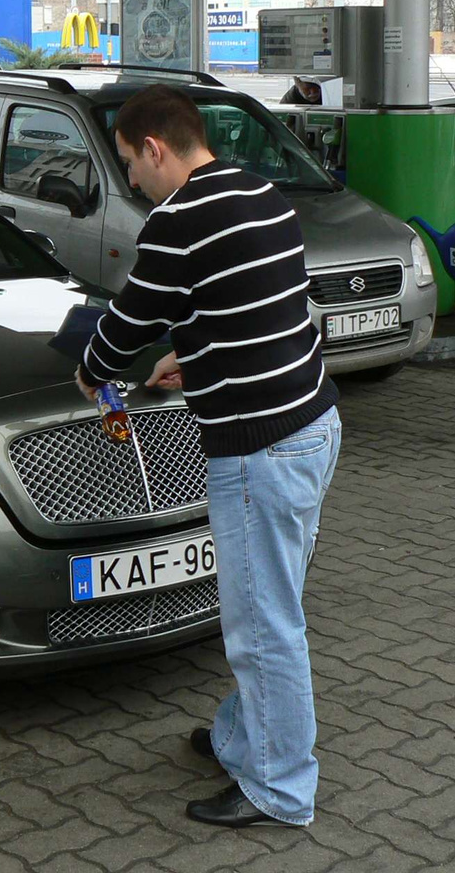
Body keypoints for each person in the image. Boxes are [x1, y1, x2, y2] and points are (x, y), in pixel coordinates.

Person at [74, 85, 342, 829]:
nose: (131, 181)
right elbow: (264, 306)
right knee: (269, 612)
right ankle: (241, 740)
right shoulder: (262, 192)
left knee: (263, 627)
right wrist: (196, 361)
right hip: (313, 423)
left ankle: (281, 790)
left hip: (260, 448)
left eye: (129, 164)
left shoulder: (179, 218)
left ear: (156, 149)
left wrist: (94, 370)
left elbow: (128, 324)